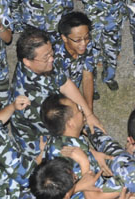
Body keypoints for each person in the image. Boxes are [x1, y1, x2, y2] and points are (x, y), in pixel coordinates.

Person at [9, 27, 95, 163]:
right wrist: (92, 153)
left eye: (51, 53)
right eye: (46, 57)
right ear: (27, 62)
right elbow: (63, 131)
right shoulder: (30, 100)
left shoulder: (41, 63)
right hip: (41, 141)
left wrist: (89, 115)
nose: (52, 59)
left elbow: (64, 83)